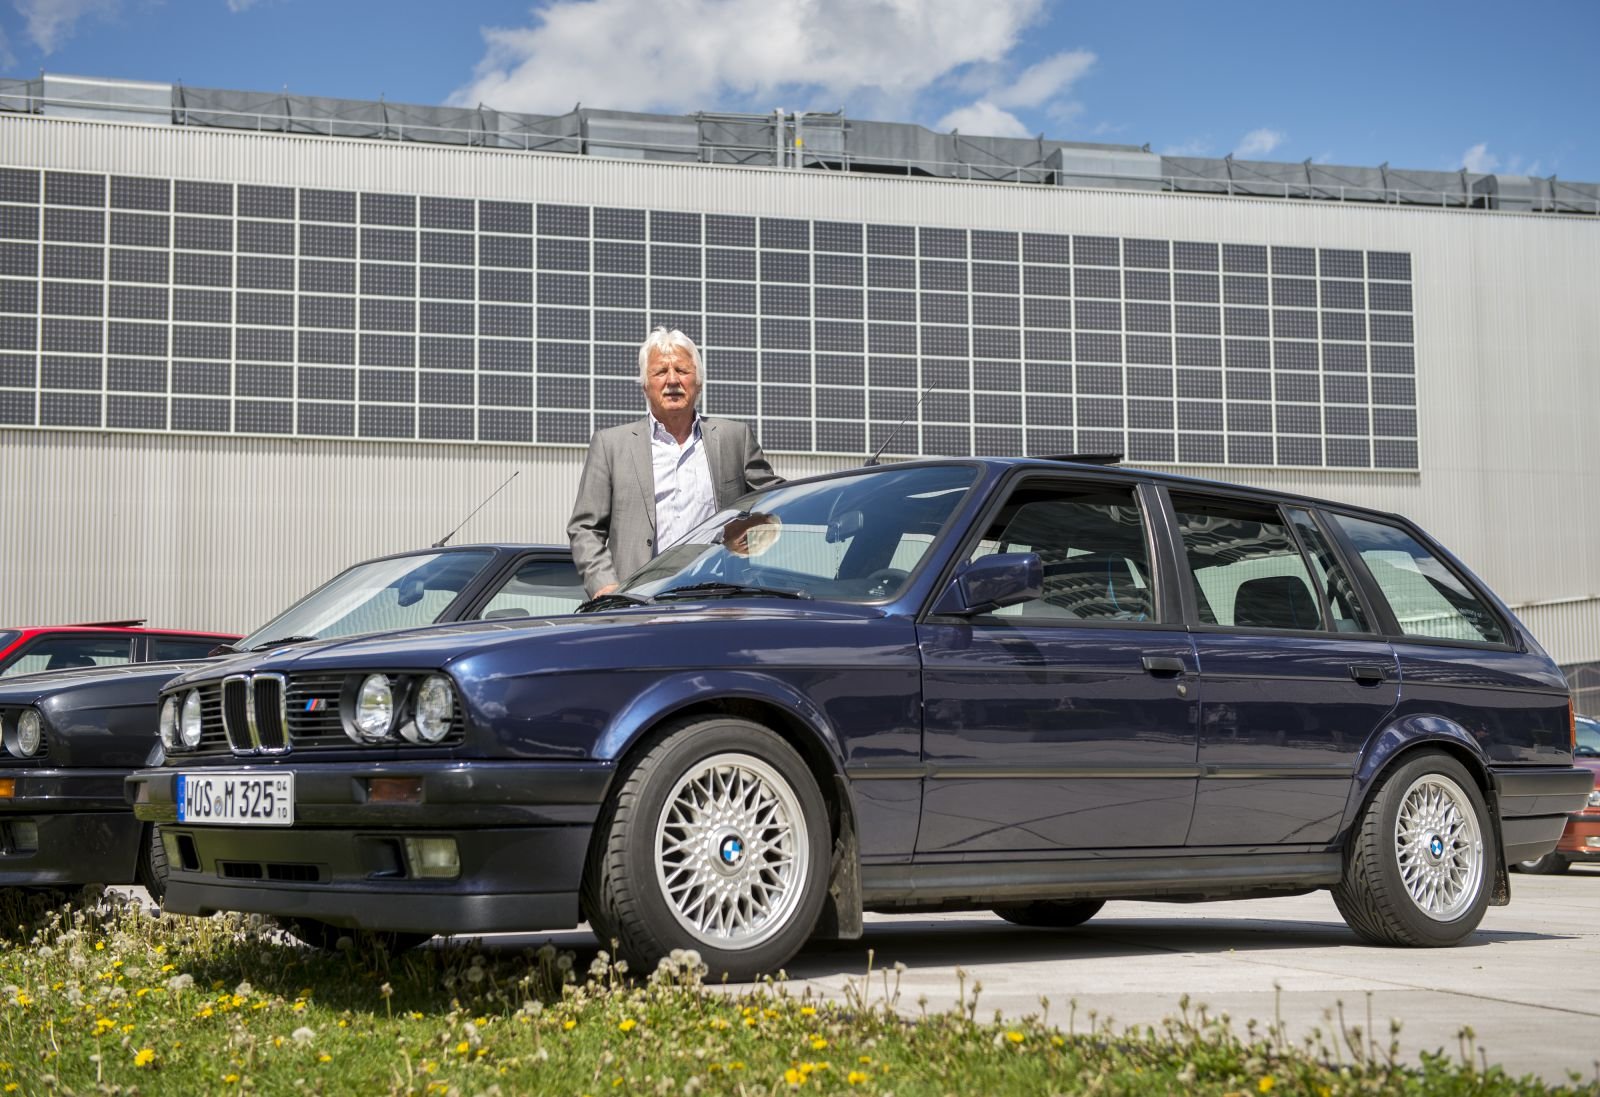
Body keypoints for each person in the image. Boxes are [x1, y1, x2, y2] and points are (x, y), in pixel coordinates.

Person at [568, 327, 783, 597]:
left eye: (682, 371)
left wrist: (828, 506)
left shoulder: (734, 439)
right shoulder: (611, 445)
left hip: (718, 600)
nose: (672, 381)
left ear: (699, 382)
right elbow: (585, 527)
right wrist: (603, 583)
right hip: (638, 602)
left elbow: (779, 501)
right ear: (645, 385)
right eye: (660, 372)